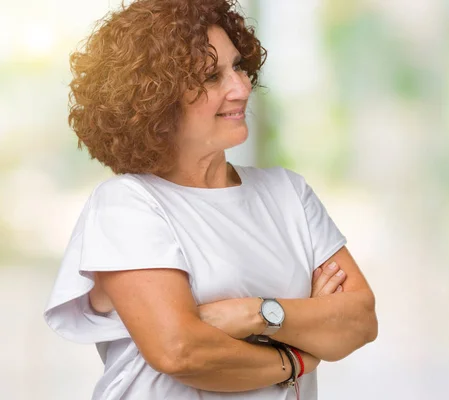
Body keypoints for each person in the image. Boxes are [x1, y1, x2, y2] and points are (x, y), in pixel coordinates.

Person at [43, 0, 378, 399]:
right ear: (155, 100)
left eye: (238, 66)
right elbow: (181, 351)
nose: (241, 87)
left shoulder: (289, 193)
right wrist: (299, 355)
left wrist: (250, 314)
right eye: (211, 76)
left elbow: (359, 321)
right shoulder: (126, 204)